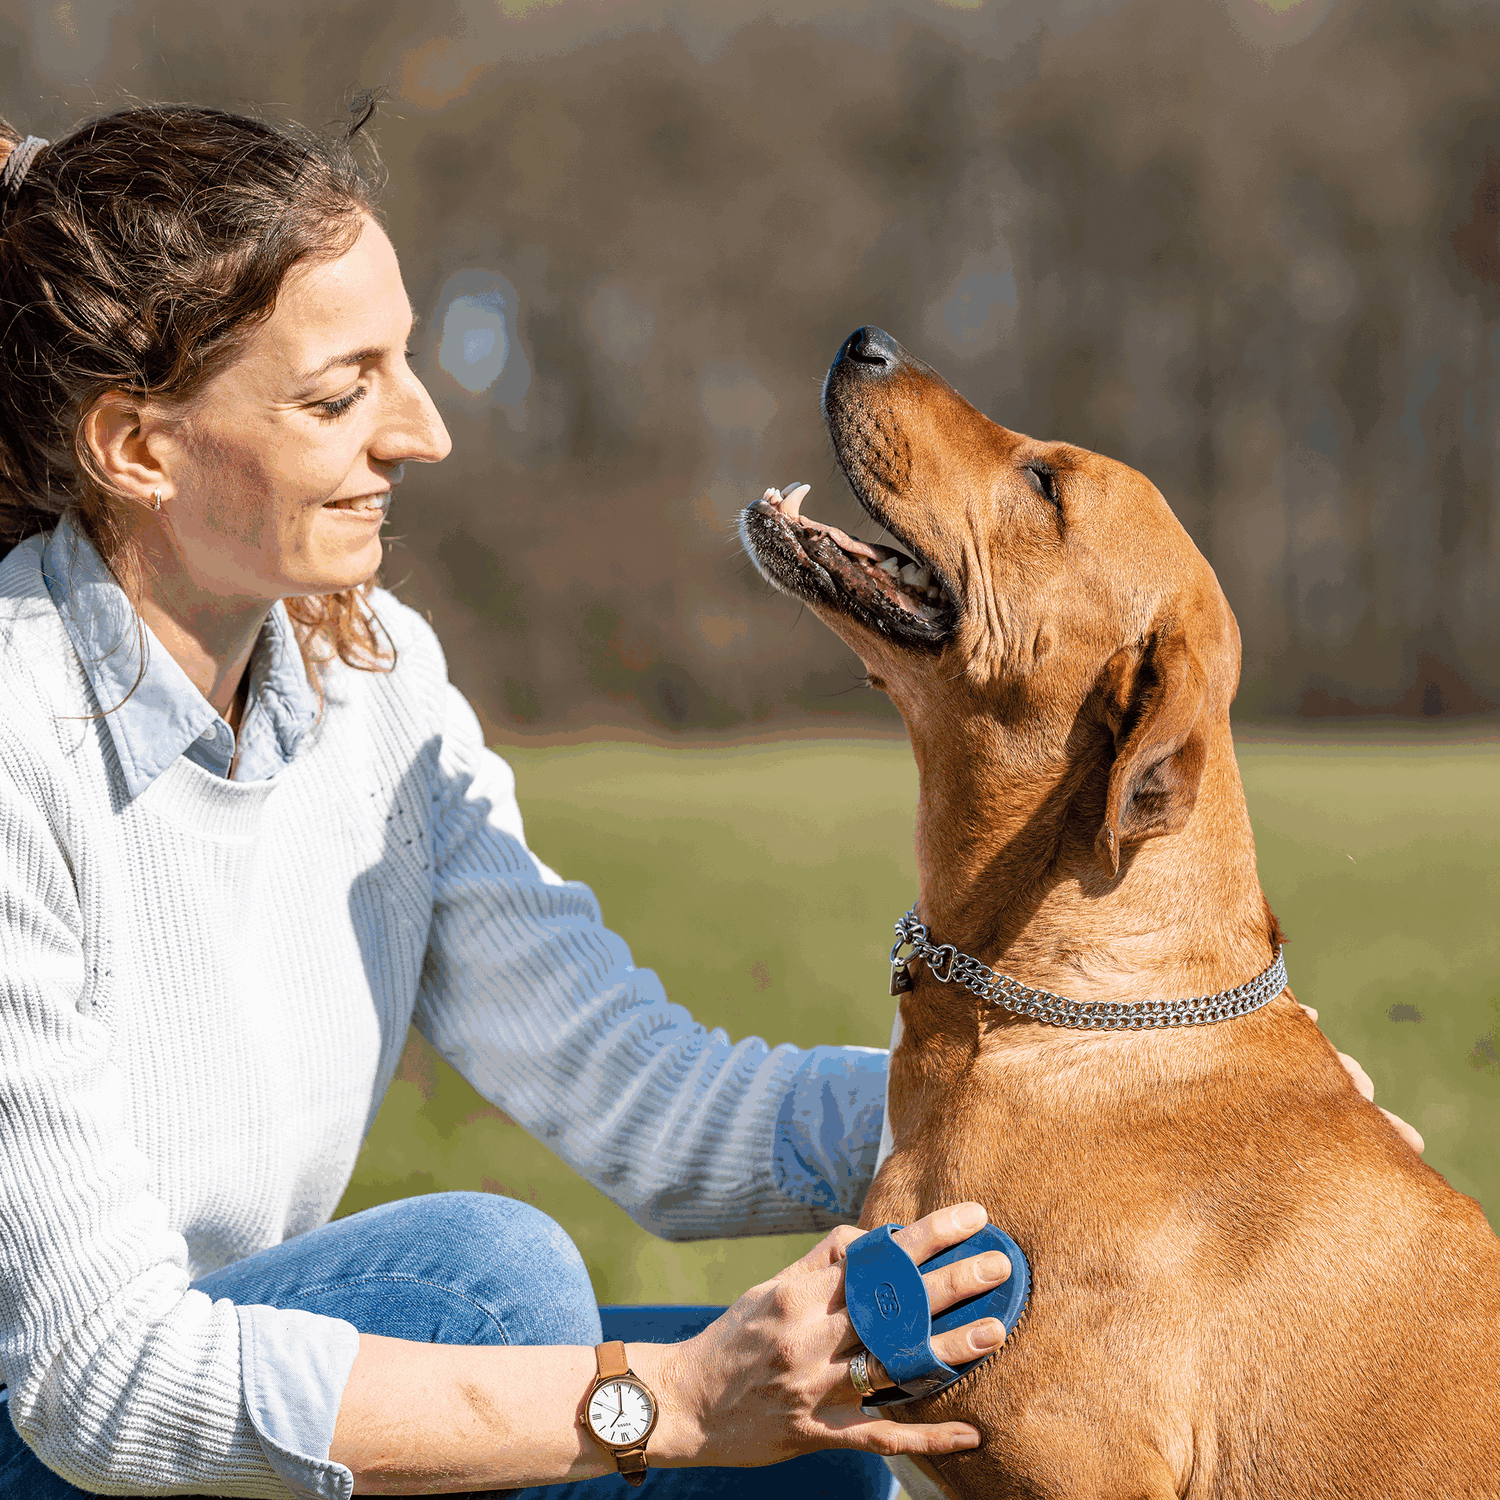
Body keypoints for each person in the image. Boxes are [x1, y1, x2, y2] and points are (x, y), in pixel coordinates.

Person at [0, 104, 1420, 1500]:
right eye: (340, 393)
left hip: (188, 1399)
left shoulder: (370, 686)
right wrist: (661, 1405)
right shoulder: (19, 737)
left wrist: (1175, 1139)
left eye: (408, 364)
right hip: (62, 1425)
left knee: (831, 1427)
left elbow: (643, 1097)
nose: (424, 433)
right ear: (137, 444)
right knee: (493, 1287)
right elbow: (98, 1382)